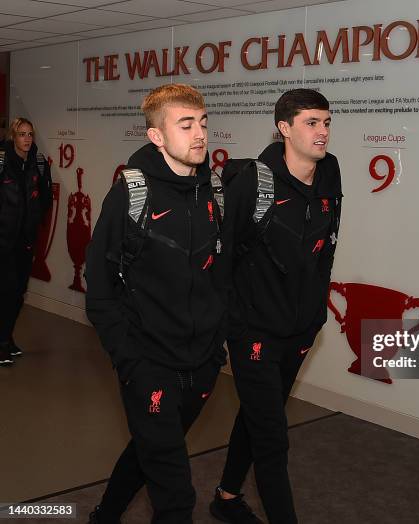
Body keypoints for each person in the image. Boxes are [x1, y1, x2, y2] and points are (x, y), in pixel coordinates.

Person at [85, 84, 229, 524]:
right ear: (157, 137)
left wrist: (215, 346)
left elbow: (222, 276)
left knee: (150, 448)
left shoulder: (214, 191)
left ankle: (104, 514)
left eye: (202, 123)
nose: (199, 134)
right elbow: (100, 287)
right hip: (147, 362)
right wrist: (130, 361)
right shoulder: (130, 195)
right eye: (185, 125)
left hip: (201, 362)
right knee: (175, 496)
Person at [209, 89, 342, 524]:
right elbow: (222, 256)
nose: (322, 132)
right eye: (311, 123)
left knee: (258, 415)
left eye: (326, 122)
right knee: (273, 437)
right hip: (253, 330)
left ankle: (227, 497)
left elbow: (327, 247)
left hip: (299, 330)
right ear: (284, 128)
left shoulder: (331, 173)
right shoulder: (253, 181)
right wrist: (226, 324)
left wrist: (315, 315)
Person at [0, 117, 52, 365]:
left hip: (25, 241)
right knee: (7, 290)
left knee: (19, 292)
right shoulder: (2, 161)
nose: (27, 139)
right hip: (3, 241)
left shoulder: (39, 163)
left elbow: (45, 198)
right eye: (22, 134)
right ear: (13, 136)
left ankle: (6, 338)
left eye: (30, 134)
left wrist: (34, 223)